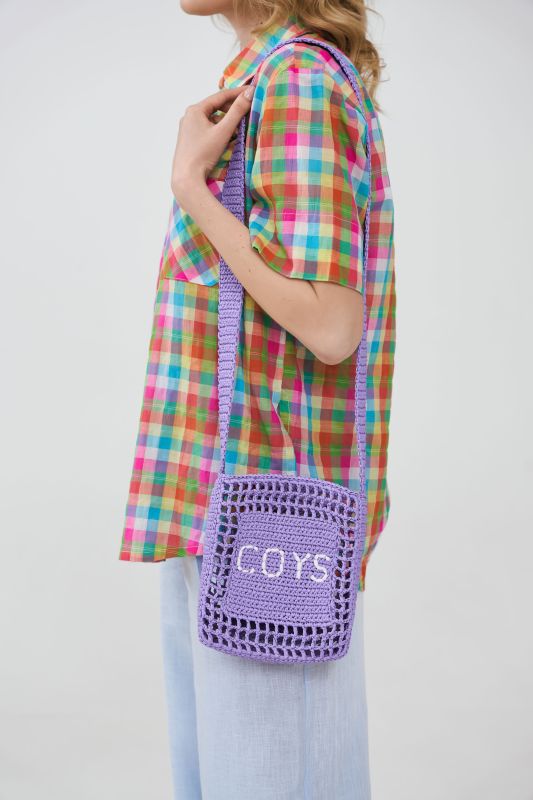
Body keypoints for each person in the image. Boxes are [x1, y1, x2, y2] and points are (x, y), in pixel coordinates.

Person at [119, 1, 396, 797]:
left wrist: (191, 187)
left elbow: (331, 325)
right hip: (221, 502)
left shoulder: (299, 80)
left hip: (272, 521)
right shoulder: (263, 78)